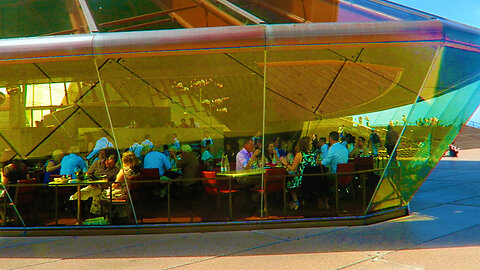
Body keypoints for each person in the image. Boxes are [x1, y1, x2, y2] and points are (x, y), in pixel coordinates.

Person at [280, 136, 318, 211]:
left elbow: (292, 168)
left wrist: (285, 163)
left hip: (302, 178)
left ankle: (295, 201)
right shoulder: (314, 154)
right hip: (313, 178)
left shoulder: (299, 155)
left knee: (289, 183)